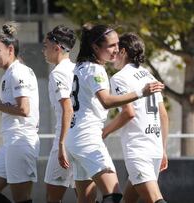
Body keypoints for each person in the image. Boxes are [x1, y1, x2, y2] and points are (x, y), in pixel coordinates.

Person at [59, 24, 165, 203]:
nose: (117, 50)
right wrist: (141, 92)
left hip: (75, 139)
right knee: (113, 195)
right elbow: (106, 101)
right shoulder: (95, 69)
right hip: (88, 139)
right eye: (111, 46)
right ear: (95, 47)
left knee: (86, 199)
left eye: (117, 44)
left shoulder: (81, 66)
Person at [102, 33, 168, 203]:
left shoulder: (119, 78)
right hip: (154, 148)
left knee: (155, 200)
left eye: (116, 50)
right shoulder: (149, 75)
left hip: (139, 150)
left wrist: (104, 131)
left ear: (123, 51)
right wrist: (163, 150)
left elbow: (128, 113)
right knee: (128, 200)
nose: (113, 55)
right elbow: (163, 115)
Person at [0, 22, 40, 203]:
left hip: (21, 140)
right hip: (10, 142)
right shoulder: (10, 72)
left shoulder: (18, 72)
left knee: (21, 199)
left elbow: (24, 110)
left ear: (10, 49)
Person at [42, 25, 96, 203]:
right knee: (85, 198)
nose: (44, 50)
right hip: (84, 138)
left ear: (56, 48)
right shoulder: (78, 69)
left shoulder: (57, 73)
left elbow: (67, 108)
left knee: (52, 198)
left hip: (66, 139)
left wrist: (62, 144)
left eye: (46, 46)